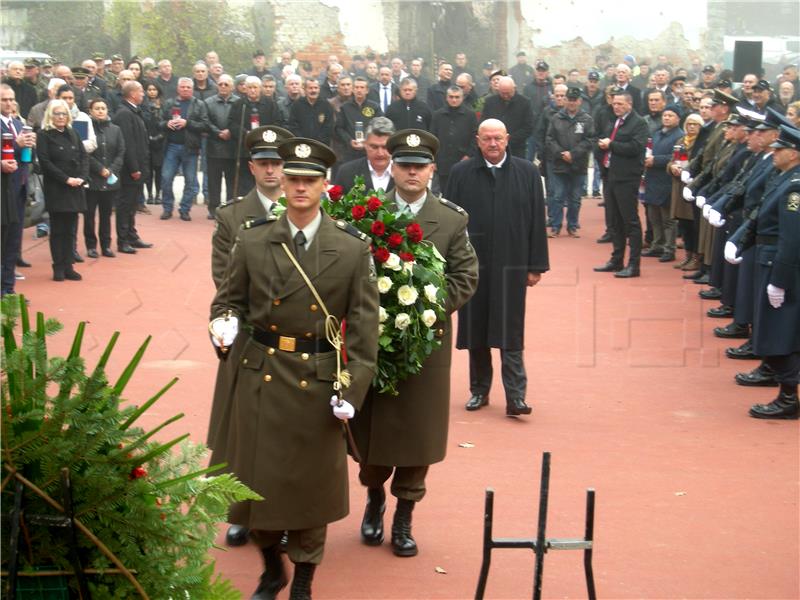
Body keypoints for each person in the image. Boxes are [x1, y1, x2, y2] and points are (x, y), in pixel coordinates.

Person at [208, 136, 379, 599]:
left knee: (309, 490)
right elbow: (227, 302)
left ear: (325, 185)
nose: (300, 188)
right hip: (259, 374)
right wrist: (221, 328)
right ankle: (270, 568)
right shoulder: (254, 239)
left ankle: (302, 579)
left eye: (310, 180)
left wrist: (353, 388)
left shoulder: (350, 249)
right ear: (281, 183)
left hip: (318, 379)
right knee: (255, 483)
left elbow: (364, 332)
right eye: (293, 179)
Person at [350, 129, 478, 558]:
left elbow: (465, 276)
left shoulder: (451, 218)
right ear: (392, 166)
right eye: (403, 164)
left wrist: (428, 303)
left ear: (431, 170)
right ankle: (374, 499)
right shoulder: (366, 213)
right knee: (369, 429)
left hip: (426, 344)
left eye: (419, 166)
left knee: (417, 433)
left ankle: (404, 516)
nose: (410, 172)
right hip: (374, 343)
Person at [446, 119, 549, 417]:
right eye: (487, 139)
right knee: (476, 328)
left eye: (498, 138)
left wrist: (536, 265)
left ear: (508, 139)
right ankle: (479, 391)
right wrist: (450, 265)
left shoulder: (527, 172)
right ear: (477, 140)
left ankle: (516, 396)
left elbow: (536, 223)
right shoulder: (461, 173)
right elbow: (449, 221)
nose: (493, 144)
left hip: (512, 264)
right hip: (471, 266)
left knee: (510, 330)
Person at [725, 124, 800, 419]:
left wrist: (780, 280)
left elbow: (792, 238)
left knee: (779, 331)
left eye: (780, 149)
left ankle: (788, 397)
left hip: (778, 265)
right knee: (775, 329)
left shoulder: (795, 185)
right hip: (768, 258)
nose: (774, 153)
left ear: (793, 154)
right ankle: (785, 389)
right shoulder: (784, 178)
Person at [593, 91, 650, 278]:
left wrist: (611, 145)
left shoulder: (639, 123)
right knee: (615, 221)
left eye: (619, 104)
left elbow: (635, 148)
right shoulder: (614, 121)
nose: (615, 106)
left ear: (629, 104)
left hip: (627, 178)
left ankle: (634, 265)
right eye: (614, 103)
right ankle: (616, 260)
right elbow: (608, 142)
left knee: (630, 221)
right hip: (611, 175)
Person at [36, 100, 89, 281]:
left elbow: (84, 157)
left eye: (64, 113)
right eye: (57, 113)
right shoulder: (44, 135)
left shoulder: (73, 133)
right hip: (57, 187)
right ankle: (58, 266)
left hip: (75, 187)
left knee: (71, 228)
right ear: (50, 115)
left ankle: (68, 265)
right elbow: (45, 162)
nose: (60, 117)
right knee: (58, 229)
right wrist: (66, 179)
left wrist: (82, 177)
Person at [545, 86, 596, 237]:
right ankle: (556, 226)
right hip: (559, 164)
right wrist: (561, 154)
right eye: (569, 100)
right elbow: (549, 139)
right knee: (558, 196)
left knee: (575, 199)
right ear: (565, 100)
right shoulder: (556, 118)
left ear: (580, 101)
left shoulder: (587, 119)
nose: (572, 103)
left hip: (578, 165)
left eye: (575, 100)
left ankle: (572, 225)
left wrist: (573, 154)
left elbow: (591, 140)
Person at [1, 84, 36, 296]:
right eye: (4, 99)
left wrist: (31, 145)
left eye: (11, 99)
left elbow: (25, 156)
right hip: (2, 192)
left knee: (13, 242)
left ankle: (8, 289)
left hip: (19, 188)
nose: (9, 103)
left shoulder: (16, 123)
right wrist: (16, 143)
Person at [159, 77, 210, 221]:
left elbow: (205, 125)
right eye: (183, 87)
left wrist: (187, 123)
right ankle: (167, 208)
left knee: (190, 181)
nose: (185, 89)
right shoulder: (169, 103)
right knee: (166, 178)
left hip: (191, 148)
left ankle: (185, 209)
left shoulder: (199, 104)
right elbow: (159, 122)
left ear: (192, 89)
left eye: (188, 87)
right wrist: (166, 123)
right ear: (178, 88)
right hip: (171, 147)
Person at [112, 81, 153, 254]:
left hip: (140, 166)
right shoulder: (124, 114)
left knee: (133, 203)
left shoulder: (133, 111)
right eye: (141, 91)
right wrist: (134, 168)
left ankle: (131, 235)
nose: (144, 94)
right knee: (125, 204)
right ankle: (123, 240)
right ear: (132, 94)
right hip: (130, 169)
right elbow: (127, 143)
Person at [228, 75, 284, 197]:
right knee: (244, 181)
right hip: (244, 149)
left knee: (263, 178)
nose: (253, 90)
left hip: (265, 148)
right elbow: (231, 124)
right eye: (250, 87)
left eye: (255, 87)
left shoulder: (270, 104)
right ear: (245, 89)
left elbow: (277, 123)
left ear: (260, 88)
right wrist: (245, 133)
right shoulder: (239, 105)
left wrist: (264, 134)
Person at [641, 104, 684, 262]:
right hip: (652, 179)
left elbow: (677, 158)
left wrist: (656, 160)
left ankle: (669, 248)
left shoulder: (680, 136)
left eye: (670, 115)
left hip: (667, 180)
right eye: (665, 115)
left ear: (678, 118)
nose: (666, 118)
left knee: (668, 219)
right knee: (654, 217)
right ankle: (657, 245)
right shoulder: (657, 134)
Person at [84, 97, 124, 259]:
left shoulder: (116, 129)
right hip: (93, 178)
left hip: (110, 179)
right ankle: (91, 245)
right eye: (97, 108)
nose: (100, 111)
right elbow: (84, 152)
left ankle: (106, 245)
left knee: (106, 214)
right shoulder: (86, 129)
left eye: (103, 108)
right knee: (89, 214)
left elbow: (121, 152)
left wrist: (111, 169)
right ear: (91, 111)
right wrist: (100, 169)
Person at [429, 85, 478, 193]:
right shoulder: (438, 115)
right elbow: (432, 138)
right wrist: (433, 160)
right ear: (446, 98)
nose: (454, 100)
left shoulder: (470, 115)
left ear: (462, 98)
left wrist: (469, 155)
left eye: (457, 97)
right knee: (445, 195)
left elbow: (475, 138)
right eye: (451, 97)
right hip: (443, 163)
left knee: (464, 193)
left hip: (463, 161)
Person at [332, 116, 395, 193]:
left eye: (385, 147)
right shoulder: (346, 172)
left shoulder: (404, 173)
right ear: (365, 144)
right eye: (374, 147)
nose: (380, 153)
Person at [205, 74, 238, 217]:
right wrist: (218, 132)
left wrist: (231, 131)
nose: (223, 87)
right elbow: (205, 121)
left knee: (231, 181)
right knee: (213, 181)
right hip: (214, 147)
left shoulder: (239, 102)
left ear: (232, 87)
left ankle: (229, 209)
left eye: (226, 84)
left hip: (232, 148)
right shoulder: (208, 102)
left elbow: (240, 120)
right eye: (220, 84)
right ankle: (213, 209)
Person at [481, 76, 533, 158]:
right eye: (502, 93)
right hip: (493, 147)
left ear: (514, 89)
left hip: (517, 149)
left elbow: (528, 127)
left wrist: (508, 139)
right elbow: (484, 123)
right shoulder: (490, 102)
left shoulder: (524, 103)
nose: (505, 96)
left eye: (508, 93)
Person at [335, 76, 381, 163]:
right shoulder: (345, 107)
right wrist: (349, 140)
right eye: (356, 87)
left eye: (362, 87)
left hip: (369, 150)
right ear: (353, 89)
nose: (359, 90)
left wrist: (368, 141)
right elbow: (339, 128)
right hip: (350, 151)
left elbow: (380, 126)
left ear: (367, 90)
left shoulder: (375, 107)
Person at [288, 78, 334, 145]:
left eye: (316, 88)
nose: (313, 90)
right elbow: (293, 125)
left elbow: (329, 126)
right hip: (301, 145)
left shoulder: (326, 105)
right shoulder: (297, 105)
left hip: (321, 145)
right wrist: (302, 140)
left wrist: (318, 141)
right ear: (305, 90)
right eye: (310, 88)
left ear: (319, 89)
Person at [143, 81, 165, 205]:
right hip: (147, 141)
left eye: (154, 89)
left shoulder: (163, 104)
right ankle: (150, 194)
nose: (152, 92)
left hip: (160, 141)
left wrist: (160, 136)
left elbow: (166, 121)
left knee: (159, 169)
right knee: (148, 170)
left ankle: (158, 194)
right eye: (149, 89)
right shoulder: (143, 104)